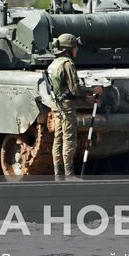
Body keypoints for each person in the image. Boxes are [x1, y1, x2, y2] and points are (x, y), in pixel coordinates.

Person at [47, 32, 84, 179]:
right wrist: (92, 91)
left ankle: (58, 174)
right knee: (69, 139)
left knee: (58, 139)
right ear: (68, 49)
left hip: (56, 105)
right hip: (67, 106)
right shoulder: (67, 64)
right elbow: (75, 89)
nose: (77, 50)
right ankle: (69, 175)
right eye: (75, 47)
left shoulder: (54, 63)